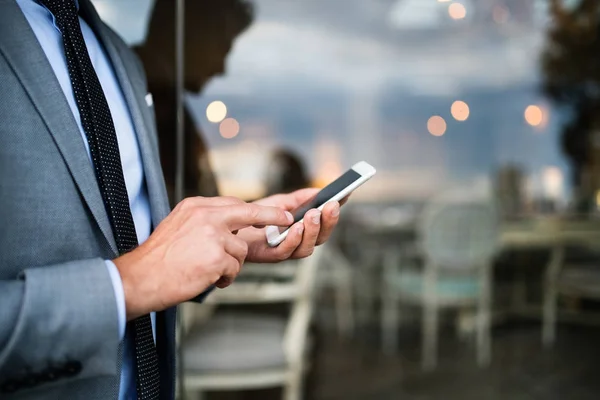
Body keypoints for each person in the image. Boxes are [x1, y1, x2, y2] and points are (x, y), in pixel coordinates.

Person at [0, 1, 342, 399]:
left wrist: (234, 236)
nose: (222, 67)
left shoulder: (120, 60)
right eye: (224, 46)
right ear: (189, 30)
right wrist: (128, 283)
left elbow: (133, 232)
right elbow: (142, 269)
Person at [134, 0, 254, 204]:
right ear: (191, 35)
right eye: (222, 47)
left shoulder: (162, 100)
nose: (221, 68)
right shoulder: (149, 102)